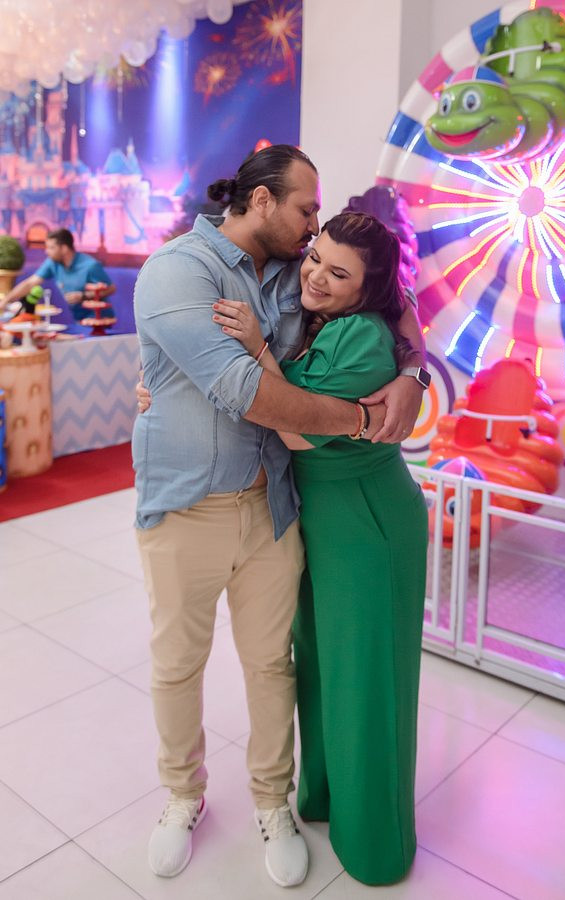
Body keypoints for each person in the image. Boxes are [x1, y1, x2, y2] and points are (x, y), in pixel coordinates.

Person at [132, 144, 427, 888]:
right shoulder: (179, 272)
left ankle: (273, 802)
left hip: (275, 508)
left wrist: (412, 371)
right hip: (187, 506)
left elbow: (388, 296)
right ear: (262, 202)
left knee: (273, 666)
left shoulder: (289, 270)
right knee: (178, 664)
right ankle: (182, 796)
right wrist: (360, 419)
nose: (312, 231)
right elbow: (250, 393)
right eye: (305, 211)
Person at [212, 211, 427, 885]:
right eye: (315, 258)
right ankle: (328, 798)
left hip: (366, 522)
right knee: (322, 668)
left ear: (368, 288)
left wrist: (256, 350)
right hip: (320, 520)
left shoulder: (361, 334)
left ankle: (376, 842)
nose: (316, 277)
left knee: (366, 679)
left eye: (339, 273)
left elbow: (296, 429)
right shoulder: (314, 306)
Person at [0, 228, 115, 320]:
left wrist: (83, 296)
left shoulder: (90, 265)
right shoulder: (53, 262)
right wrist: (6, 301)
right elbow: (30, 283)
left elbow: (111, 289)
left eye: (51, 248)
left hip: (98, 320)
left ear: (64, 248)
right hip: (77, 319)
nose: (46, 251)